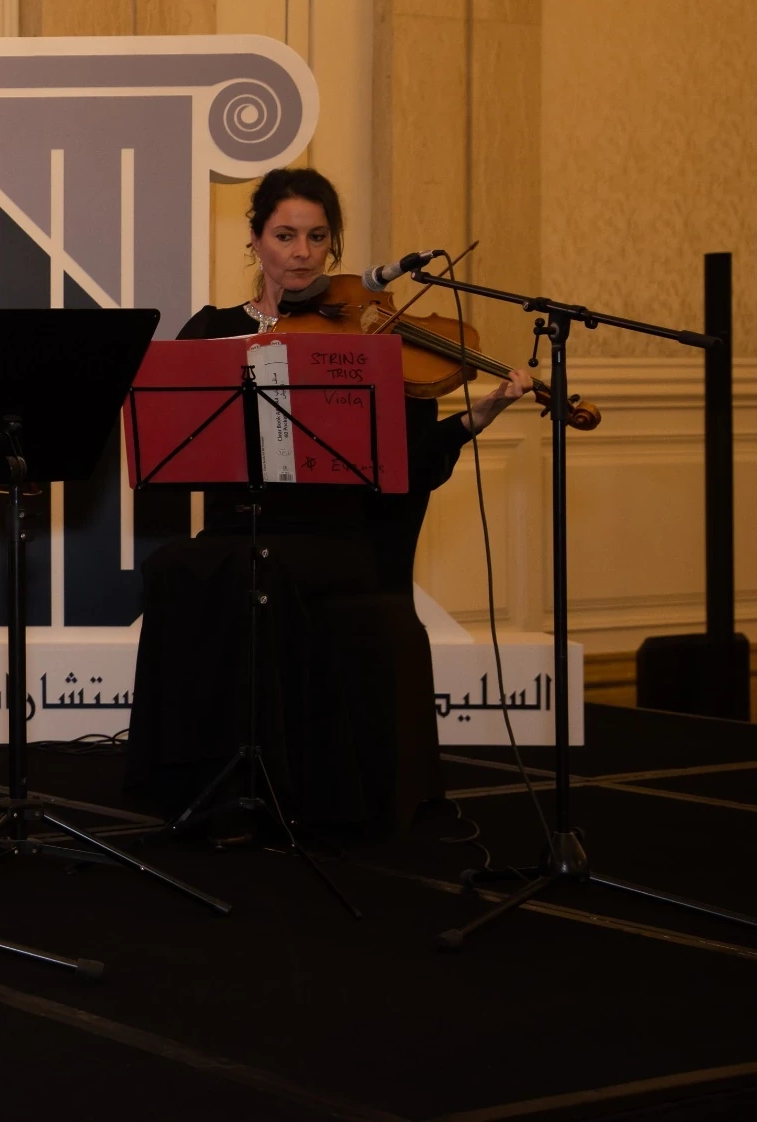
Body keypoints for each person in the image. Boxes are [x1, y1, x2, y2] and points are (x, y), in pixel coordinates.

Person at [124, 167, 532, 840]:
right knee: (175, 567)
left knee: (260, 571)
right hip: (235, 526)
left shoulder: (367, 339)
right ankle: (195, 781)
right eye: (285, 235)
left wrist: (475, 418)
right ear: (255, 241)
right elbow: (175, 442)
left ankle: (280, 790)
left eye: (317, 237)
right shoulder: (214, 329)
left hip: (335, 537)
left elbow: (408, 465)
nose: (303, 252)